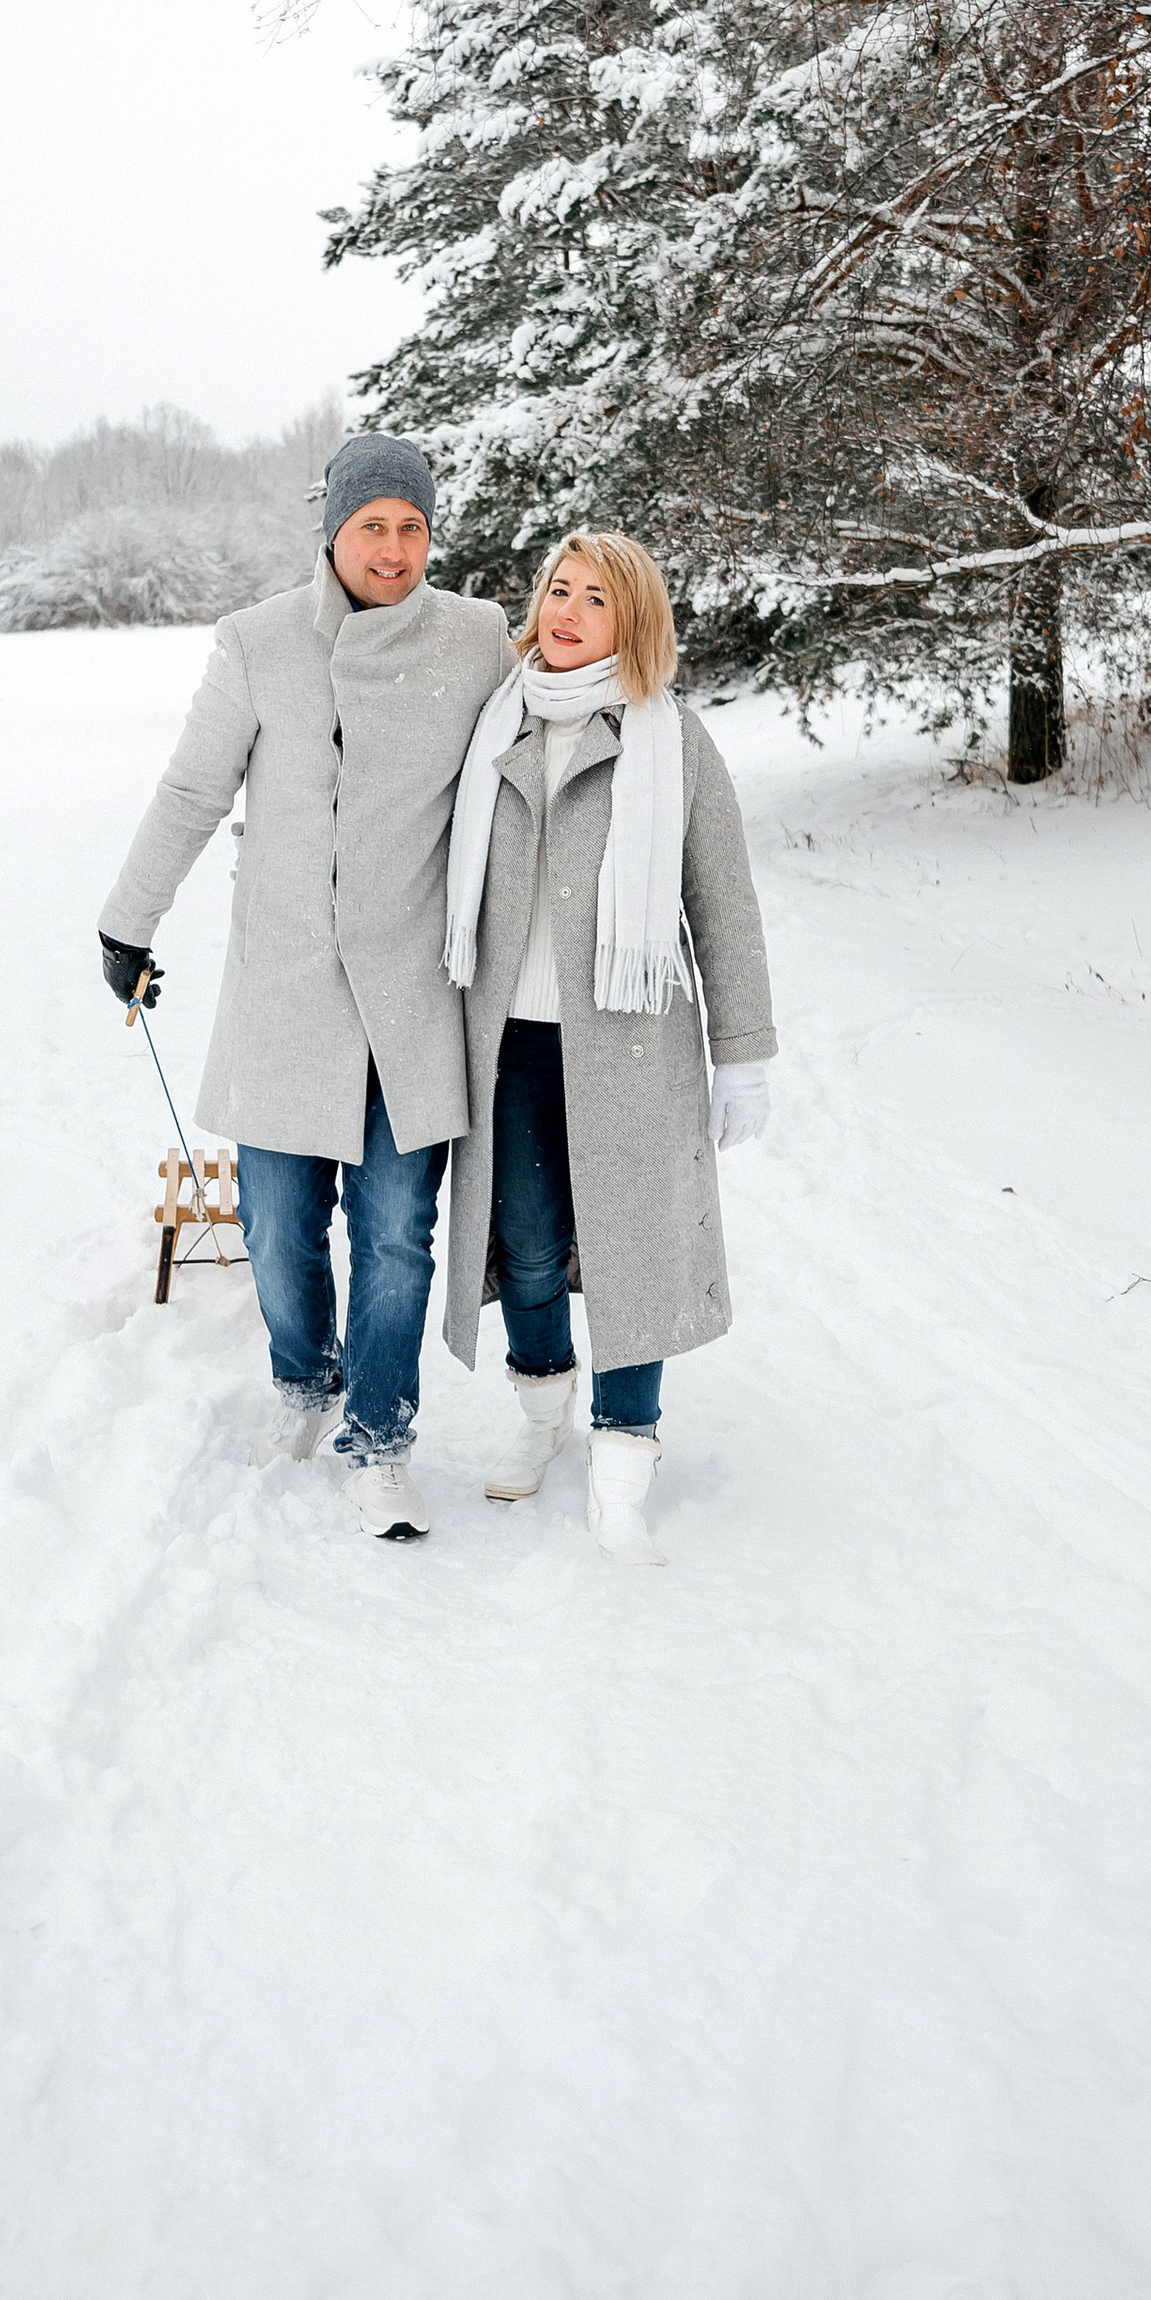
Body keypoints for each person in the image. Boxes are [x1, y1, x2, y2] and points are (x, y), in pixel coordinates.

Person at [97, 432, 512, 1537]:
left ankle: (379, 1435)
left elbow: (547, 737)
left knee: (393, 1236)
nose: (393, 546)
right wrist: (125, 922)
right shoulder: (258, 641)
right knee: (281, 1232)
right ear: (330, 528)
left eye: (412, 526)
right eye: (372, 523)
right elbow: (192, 788)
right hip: (287, 986)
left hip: (411, 999)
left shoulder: (475, 639)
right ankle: (301, 1376)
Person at [439, 530, 776, 1564]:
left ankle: (624, 1464)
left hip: (633, 1048)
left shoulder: (670, 740)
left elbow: (723, 901)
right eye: (557, 588)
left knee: (634, 1256)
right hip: (512, 1044)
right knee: (529, 1248)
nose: (569, 608)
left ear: (633, 620)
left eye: (596, 596)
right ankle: (542, 1414)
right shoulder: (492, 723)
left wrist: (745, 1049)